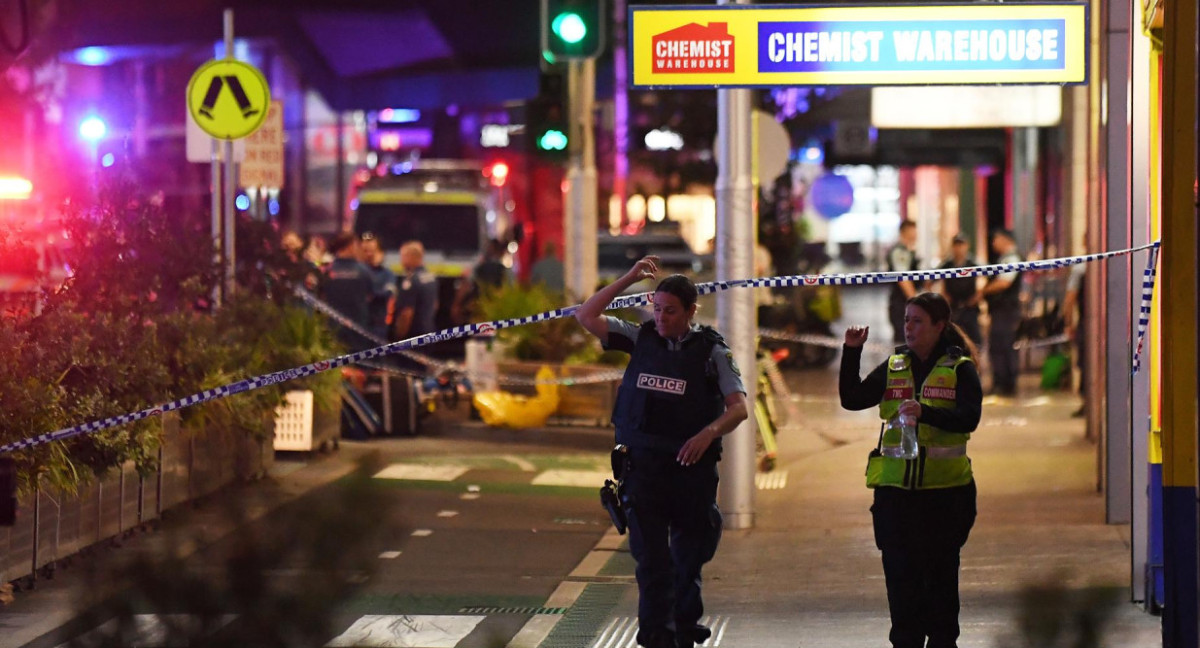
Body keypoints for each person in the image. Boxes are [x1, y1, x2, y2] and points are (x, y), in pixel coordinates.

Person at [575, 256, 748, 648]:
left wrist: (708, 433)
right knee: (652, 566)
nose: (662, 318)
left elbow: (739, 408)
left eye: (671, 311)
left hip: (691, 474)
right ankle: (657, 638)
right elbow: (586, 315)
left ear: (691, 311)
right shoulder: (641, 338)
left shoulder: (712, 353)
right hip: (644, 471)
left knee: (686, 564)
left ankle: (684, 628)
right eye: (656, 309)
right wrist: (629, 278)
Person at [839, 292, 983, 648]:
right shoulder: (894, 366)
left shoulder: (959, 368)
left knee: (940, 589)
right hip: (896, 498)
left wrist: (926, 413)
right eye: (906, 320)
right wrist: (851, 351)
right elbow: (852, 398)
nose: (909, 327)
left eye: (917, 320)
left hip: (944, 499)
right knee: (902, 591)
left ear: (939, 326)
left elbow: (970, 418)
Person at [977, 229, 1022, 396]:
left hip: (1006, 311)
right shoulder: (1005, 259)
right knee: (998, 345)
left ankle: (1005, 384)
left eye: (996, 239)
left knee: (1002, 346)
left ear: (1005, 239)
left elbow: (1004, 283)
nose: (993, 243)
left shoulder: (1011, 258)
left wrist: (983, 291)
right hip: (1002, 311)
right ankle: (1002, 382)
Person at [321, 232, 375, 347]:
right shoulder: (364, 271)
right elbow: (370, 295)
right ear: (351, 246)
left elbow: (321, 295)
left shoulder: (327, 270)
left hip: (333, 325)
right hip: (357, 326)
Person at [937, 234, 983, 347]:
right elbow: (931, 281)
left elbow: (985, 280)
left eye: (961, 245)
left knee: (975, 341)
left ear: (967, 246)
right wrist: (942, 297)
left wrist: (978, 296)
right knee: (951, 339)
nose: (959, 249)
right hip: (952, 308)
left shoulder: (973, 264)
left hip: (970, 308)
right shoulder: (946, 265)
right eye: (956, 245)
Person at [393, 240, 439, 340]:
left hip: (414, 336)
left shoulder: (411, 281)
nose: (401, 262)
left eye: (403, 257)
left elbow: (406, 313)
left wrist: (399, 336)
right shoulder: (431, 278)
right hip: (429, 331)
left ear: (412, 257)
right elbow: (435, 305)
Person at [886, 221, 922, 344]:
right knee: (902, 344)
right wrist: (916, 301)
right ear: (904, 232)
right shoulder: (899, 252)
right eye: (913, 231)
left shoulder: (907, 251)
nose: (916, 234)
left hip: (905, 304)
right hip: (901, 305)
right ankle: (900, 365)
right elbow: (903, 279)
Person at [360, 234, 397, 342]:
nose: (369, 254)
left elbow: (389, 292)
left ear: (381, 252)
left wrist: (371, 294)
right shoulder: (357, 272)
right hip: (358, 324)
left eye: (373, 250)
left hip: (378, 325)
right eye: (365, 250)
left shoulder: (387, 274)